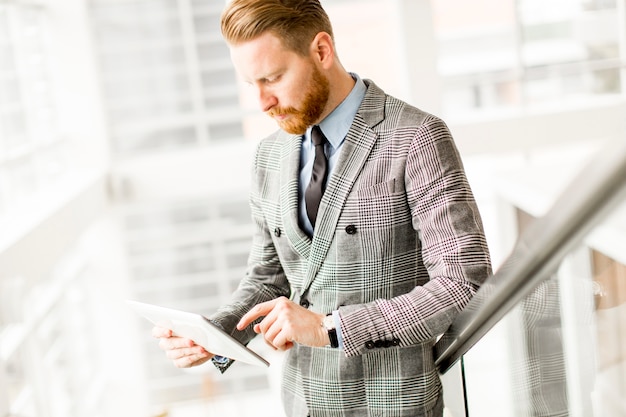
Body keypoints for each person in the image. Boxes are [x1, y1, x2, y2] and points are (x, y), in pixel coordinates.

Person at [152, 1, 492, 416]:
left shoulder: (416, 137)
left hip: (393, 403)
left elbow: (465, 281)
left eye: (273, 78)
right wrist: (214, 335)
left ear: (322, 50)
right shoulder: (269, 155)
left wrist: (327, 328)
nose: (262, 102)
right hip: (303, 400)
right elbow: (268, 277)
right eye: (250, 84)